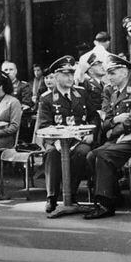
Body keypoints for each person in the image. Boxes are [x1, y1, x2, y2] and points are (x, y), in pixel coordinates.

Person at [84, 54, 131, 219]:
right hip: (118, 139)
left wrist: (112, 131)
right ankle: (114, 195)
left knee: (102, 155)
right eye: (108, 73)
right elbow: (104, 121)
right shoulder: (110, 91)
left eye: (112, 73)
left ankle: (104, 204)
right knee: (91, 155)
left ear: (125, 72)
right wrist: (115, 120)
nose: (108, 77)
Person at [38, 55, 97, 213]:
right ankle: (52, 196)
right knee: (51, 153)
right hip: (56, 141)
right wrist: (56, 139)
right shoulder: (47, 99)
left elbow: (93, 116)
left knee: (82, 152)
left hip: (79, 140)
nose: (70, 78)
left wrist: (91, 133)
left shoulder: (81, 93)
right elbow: (44, 125)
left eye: (72, 74)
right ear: (56, 76)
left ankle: (71, 194)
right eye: (65, 74)